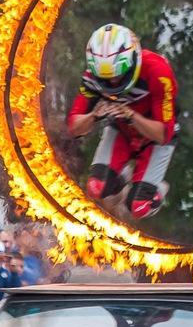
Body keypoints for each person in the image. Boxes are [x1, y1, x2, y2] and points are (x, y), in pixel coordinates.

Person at [66, 23, 178, 219]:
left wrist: (131, 115)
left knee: (138, 207)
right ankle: (121, 178)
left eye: (118, 74)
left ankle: (157, 189)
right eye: (106, 77)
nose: (113, 82)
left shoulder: (158, 72)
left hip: (154, 138)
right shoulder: (91, 77)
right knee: (95, 188)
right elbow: (74, 128)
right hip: (121, 131)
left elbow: (163, 135)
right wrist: (94, 116)